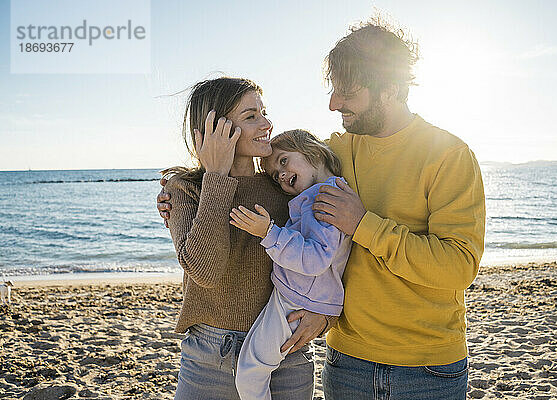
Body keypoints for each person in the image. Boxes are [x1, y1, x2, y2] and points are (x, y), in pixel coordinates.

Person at [159, 17, 486, 399]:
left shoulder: (447, 155)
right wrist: (197, 187)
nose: (333, 103)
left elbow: (457, 267)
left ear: (390, 89)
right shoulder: (328, 157)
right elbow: (215, 261)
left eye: (346, 92)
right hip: (343, 362)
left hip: (423, 367)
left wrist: (361, 228)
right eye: (333, 90)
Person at [160, 77, 332, 400]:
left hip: (286, 351)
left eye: (264, 112)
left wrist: (326, 315)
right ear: (215, 129)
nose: (267, 123)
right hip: (210, 357)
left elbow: (326, 254)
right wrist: (215, 177)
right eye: (251, 116)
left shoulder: (284, 189)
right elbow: (205, 271)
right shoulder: (184, 190)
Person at [229, 129, 352, 400]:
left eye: (283, 161)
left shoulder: (324, 200)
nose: (281, 175)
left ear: (315, 152)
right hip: (295, 294)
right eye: (276, 175)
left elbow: (316, 259)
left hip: (297, 302)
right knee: (251, 364)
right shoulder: (316, 195)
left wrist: (269, 233)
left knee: (251, 372)